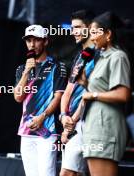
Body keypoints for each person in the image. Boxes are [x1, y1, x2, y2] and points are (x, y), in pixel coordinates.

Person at [82, 11, 131, 176]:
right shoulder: (102, 58)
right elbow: (102, 89)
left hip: (106, 128)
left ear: (108, 33)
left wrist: (93, 95)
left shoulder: (118, 56)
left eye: (95, 32)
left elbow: (123, 94)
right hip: (94, 127)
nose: (92, 37)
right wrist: (85, 84)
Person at [14, 24, 67, 176]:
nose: (32, 44)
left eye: (36, 40)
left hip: (48, 131)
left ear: (45, 41)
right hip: (26, 130)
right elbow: (18, 97)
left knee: (46, 173)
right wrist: (26, 73)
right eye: (28, 40)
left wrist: (42, 117)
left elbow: (58, 97)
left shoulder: (57, 67)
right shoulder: (21, 69)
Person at [59, 10, 96, 176]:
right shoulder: (79, 56)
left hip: (89, 121)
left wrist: (71, 122)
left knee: (67, 173)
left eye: (78, 27)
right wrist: (63, 117)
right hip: (74, 123)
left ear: (89, 27)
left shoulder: (100, 54)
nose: (73, 31)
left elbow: (92, 92)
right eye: (72, 27)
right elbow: (68, 91)